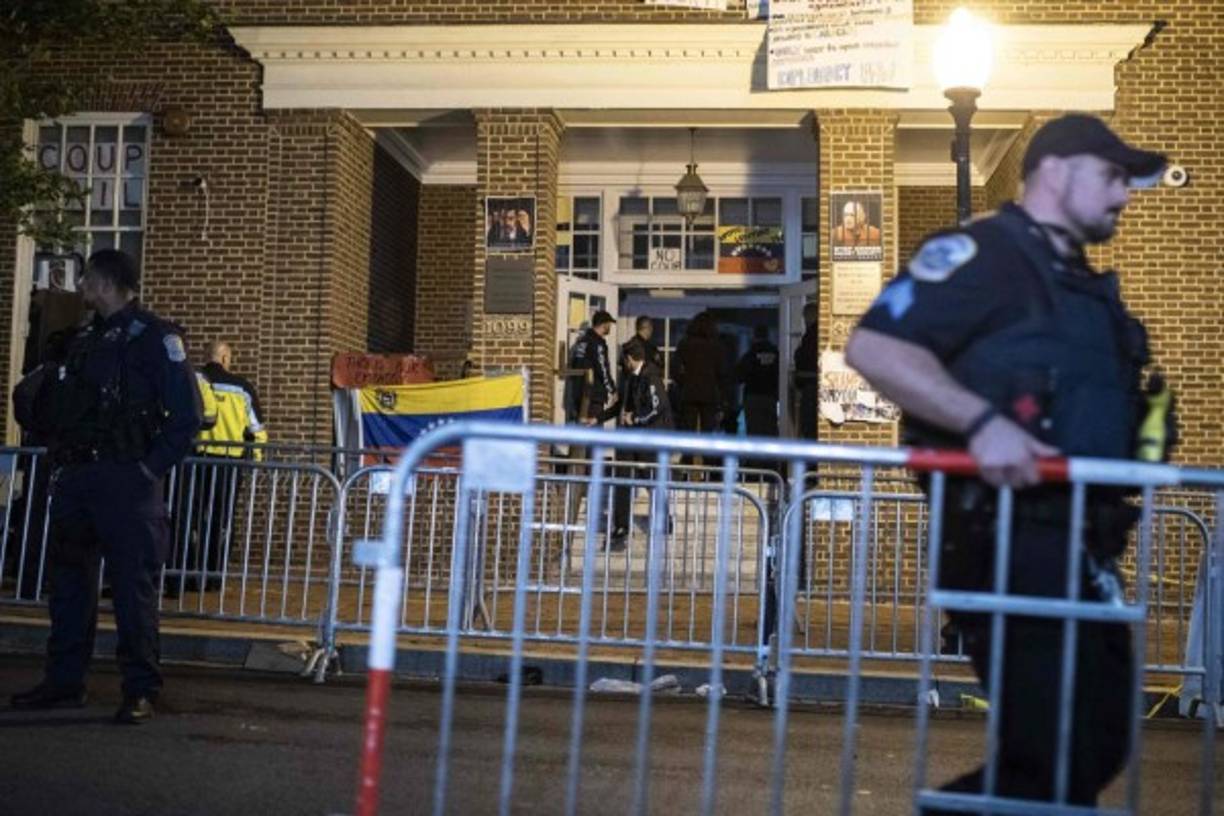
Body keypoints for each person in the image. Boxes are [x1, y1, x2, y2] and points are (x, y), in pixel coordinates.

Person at [845, 113, 1171, 812]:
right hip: (1007, 542)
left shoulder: (1076, 283)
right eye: (1111, 176)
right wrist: (982, 423)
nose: (1124, 195)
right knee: (1055, 755)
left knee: (1096, 739)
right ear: (1055, 171)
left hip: (1081, 547)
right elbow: (875, 347)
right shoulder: (986, 254)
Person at [10, 249, 202, 723]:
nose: (81, 287)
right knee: (69, 587)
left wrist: (147, 471)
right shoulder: (82, 339)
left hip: (126, 481)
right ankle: (63, 682)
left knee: (132, 592)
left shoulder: (155, 337)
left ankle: (140, 689)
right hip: (78, 478)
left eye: (87, 279)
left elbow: (186, 417)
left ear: (105, 283)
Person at [181, 341, 267, 592]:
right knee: (221, 519)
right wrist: (255, 461)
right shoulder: (242, 387)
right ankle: (214, 576)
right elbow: (257, 429)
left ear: (206, 356)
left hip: (195, 459)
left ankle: (188, 573)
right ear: (226, 358)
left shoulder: (194, 381)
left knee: (191, 517)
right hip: (229, 462)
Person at [610, 343, 673, 549]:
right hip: (631, 436)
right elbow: (621, 405)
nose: (622, 364)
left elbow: (658, 407)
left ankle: (664, 519)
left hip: (650, 436)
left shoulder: (650, 377)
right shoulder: (630, 377)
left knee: (650, 476)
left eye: (624, 360)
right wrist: (598, 418)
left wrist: (635, 418)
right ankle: (621, 527)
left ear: (630, 359)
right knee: (622, 476)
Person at [673, 312, 728, 465]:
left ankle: (687, 468)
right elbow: (722, 373)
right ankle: (708, 468)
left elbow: (675, 370)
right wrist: (722, 398)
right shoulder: (717, 346)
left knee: (688, 436)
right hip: (710, 395)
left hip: (689, 393)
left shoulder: (685, 344)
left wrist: (684, 382)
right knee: (708, 436)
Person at [563, 310, 617, 427]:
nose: (610, 327)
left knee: (582, 430)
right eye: (609, 324)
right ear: (604, 324)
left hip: (579, 394)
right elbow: (602, 369)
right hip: (593, 395)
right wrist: (612, 390)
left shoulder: (581, 342)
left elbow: (575, 365)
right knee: (594, 431)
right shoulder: (597, 343)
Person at [737, 324, 780, 438]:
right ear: (767, 336)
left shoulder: (750, 354)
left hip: (753, 396)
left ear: (754, 336)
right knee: (770, 430)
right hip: (770, 397)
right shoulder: (775, 353)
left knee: (754, 431)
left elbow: (739, 376)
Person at [793, 302, 819, 440]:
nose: (804, 320)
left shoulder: (812, 335)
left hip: (811, 387)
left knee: (809, 427)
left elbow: (806, 359)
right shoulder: (812, 334)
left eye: (805, 316)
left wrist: (798, 354)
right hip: (812, 386)